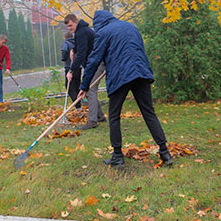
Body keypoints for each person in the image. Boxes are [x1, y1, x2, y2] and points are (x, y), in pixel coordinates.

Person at [78, 10, 173, 168]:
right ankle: (165, 153)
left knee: (114, 116)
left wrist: (83, 86)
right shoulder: (131, 27)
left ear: (98, 24)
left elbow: (94, 60)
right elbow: (136, 50)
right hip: (141, 72)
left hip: (120, 76)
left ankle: (117, 156)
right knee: (149, 113)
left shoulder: (103, 32)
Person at [64, 14, 106, 130]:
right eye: (68, 27)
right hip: (92, 63)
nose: (69, 28)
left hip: (97, 63)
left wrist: (71, 70)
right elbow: (81, 47)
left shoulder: (82, 32)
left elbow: (82, 54)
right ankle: (100, 116)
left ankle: (92, 121)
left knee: (90, 89)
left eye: (71, 25)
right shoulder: (81, 31)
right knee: (88, 89)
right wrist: (73, 49)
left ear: (76, 22)